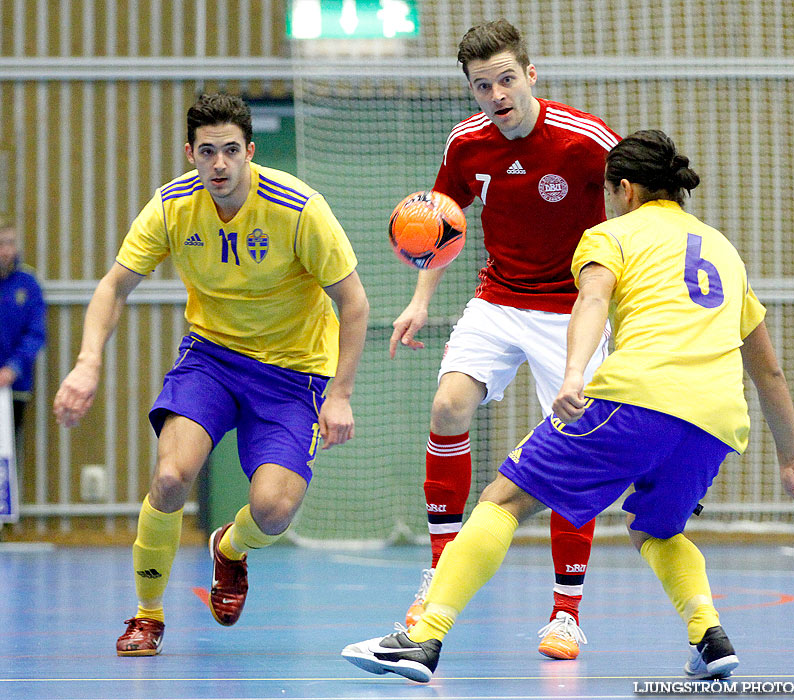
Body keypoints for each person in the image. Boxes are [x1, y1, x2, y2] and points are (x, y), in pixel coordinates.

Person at [342, 129, 794, 683]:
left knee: (505, 497)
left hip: (636, 399)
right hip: (715, 422)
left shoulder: (609, 236)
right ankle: (709, 638)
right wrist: (791, 457)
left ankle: (421, 639)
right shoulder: (723, 251)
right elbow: (768, 369)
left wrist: (574, 374)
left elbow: (591, 301)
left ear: (624, 189)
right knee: (656, 530)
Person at [53, 93, 369, 656]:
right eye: (207, 152)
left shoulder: (299, 208)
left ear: (249, 152)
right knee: (172, 477)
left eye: (230, 151)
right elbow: (113, 287)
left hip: (294, 374)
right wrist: (87, 361)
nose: (219, 164)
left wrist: (339, 393)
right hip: (213, 359)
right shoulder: (173, 206)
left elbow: (354, 303)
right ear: (190, 154)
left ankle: (231, 546)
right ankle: (148, 616)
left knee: (273, 512)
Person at [390, 19, 619, 659]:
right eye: (481, 85)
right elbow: (436, 222)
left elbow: (638, 205)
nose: (496, 94)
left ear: (531, 75)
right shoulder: (467, 145)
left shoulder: (585, 141)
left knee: (572, 448)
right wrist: (418, 300)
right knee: (446, 407)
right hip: (498, 297)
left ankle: (566, 613)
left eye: (506, 79)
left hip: (572, 310)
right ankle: (439, 570)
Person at [0, 218, 46, 447]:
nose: (6, 251)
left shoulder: (28, 284)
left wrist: (13, 368)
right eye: (1, 244)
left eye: (10, 243)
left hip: (13, 387)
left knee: (6, 454)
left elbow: (36, 333)